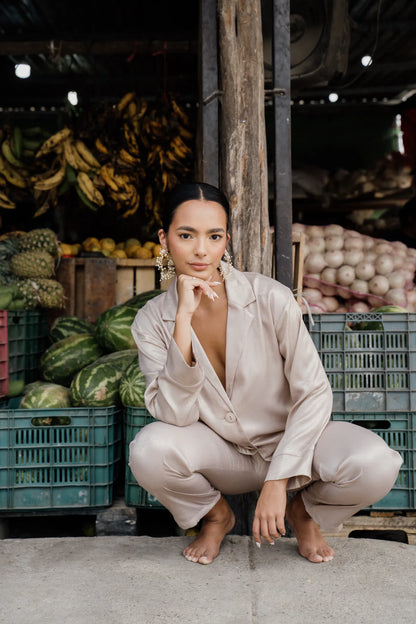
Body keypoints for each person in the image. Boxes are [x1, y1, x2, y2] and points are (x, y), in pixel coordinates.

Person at [129, 182, 402, 565]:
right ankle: (215, 516)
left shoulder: (271, 297)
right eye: (186, 235)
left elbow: (314, 393)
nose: (201, 249)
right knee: (148, 450)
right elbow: (175, 415)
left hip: (295, 446)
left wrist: (278, 481)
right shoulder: (150, 320)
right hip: (224, 454)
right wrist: (183, 319)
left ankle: (304, 515)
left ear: (227, 239)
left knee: (377, 463)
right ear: (164, 238)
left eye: (214, 236)